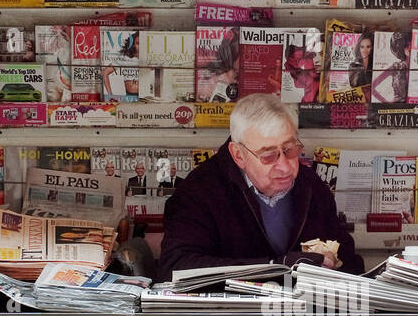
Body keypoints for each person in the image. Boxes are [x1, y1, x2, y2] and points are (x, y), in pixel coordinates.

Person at [156, 94, 364, 280]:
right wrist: (275, 267)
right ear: (239, 155)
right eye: (268, 155)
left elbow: (349, 258)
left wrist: (332, 268)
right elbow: (175, 267)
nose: (284, 166)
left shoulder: (311, 186)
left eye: (290, 150)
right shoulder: (199, 191)